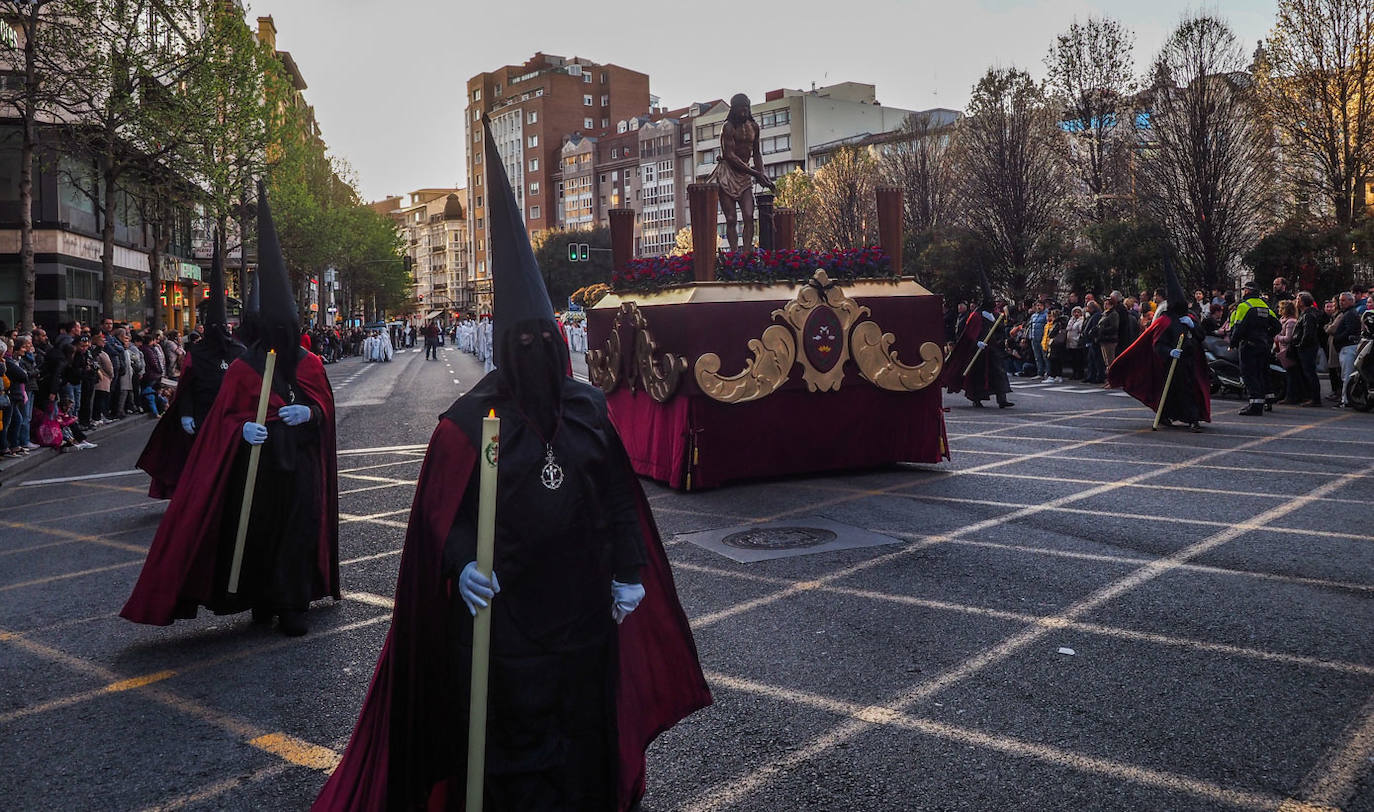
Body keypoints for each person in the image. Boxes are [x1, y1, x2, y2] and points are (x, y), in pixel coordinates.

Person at [315, 117, 709, 812]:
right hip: (506, 627)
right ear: (504, 343)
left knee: (582, 734)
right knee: (512, 752)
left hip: (585, 614)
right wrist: (460, 563)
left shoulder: (587, 411)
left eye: (541, 338)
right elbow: (440, 522)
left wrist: (627, 574)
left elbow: (619, 497)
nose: (532, 349)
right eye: (519, 338)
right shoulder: (470, 424)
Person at [122, 183, 339, 637]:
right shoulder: (244, 367)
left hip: (299, 464)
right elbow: (225, 419)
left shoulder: (311, 363)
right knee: (257, 531)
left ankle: (293, 601)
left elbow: (322, 406)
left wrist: (312, 415)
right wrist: (242, 430)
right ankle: (261, 599)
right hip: (255, 469)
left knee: (297, 531)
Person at [138, 234, 246, 500]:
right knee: (203, 464)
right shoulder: (196, 353)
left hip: (233, 419)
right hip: (202, 417)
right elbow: (186, 388)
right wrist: (186, 414)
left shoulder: (240, 352)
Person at [1109, 259, 1210, 432]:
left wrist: (1193, 326)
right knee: (1168, 392)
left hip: (1188, 361)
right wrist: (1170, 351)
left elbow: (1201, 337)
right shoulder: (1164, 321)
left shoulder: (1190, 318)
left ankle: (1193, 418)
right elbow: (1157, 344)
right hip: (1170, 363)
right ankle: (1164, 416)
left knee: (1191, 390)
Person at [709, 93, 777, 252]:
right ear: (734, 109)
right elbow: (730, 156)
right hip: (727, 174)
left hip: (745, 175)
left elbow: (757, 153)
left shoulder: (754, 127)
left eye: (746, 106)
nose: (744, 110)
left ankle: (747, 255)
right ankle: (733, 255)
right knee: (731, 219)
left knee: (748, 215)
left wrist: (762, 173)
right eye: (741, 107)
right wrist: (756, 174)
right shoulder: (728, 127)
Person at [944, 270, 1015, 408]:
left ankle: (1002, 399)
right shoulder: (975, 315)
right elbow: (968, 333)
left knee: (999, 372)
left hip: (993, 348)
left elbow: (1000, 329)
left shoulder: (995, 315)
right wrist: (977, 342)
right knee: (977, 375)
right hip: (979, 350)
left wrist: (995, 324)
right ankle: (976, 398)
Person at [1228, 281, 1280, 416]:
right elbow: (1277, 326)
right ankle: (1268, 399)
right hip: (1263, 345)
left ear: (1247, 291)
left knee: (1249, 374)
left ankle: (1255, 404)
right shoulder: (1264, 305)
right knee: (1262, 372)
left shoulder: (1244, 306)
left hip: (1248, 344)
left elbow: (1238, 327)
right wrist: (1267, 337)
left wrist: (1233, 343)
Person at [1290, 292, 1322, 407]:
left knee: (1310, 373)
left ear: (1303, 302)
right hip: (1307, 347)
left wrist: (1300, 344)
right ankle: (1309, 396)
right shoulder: (1305, 314)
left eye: (1298, 300)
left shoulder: (1308, 315)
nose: (1296, 302)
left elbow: (1308, 333)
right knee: (1307, 373)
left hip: (1307, 348)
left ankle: (1315, 398)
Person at [1329, 291, 1361, 407]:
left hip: (1348, 347)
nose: (1340, 303)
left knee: (1347, 375)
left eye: (1343, 300)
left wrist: (1338, 338)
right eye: (1340, 300)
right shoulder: (1348, 313)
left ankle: (1346, 400)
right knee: (1345, 375)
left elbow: (1350, 330)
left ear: (1351, 301)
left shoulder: (1351, 314)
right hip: (1345, 347)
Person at [1274, 299, 1299, 404]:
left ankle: (1291, 397)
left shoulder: (1291, 322)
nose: (1279, 310)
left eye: (1281, 308)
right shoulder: (1283, 320)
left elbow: (1288, 338)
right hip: (1282, 350)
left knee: (1291, 375)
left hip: (1287, 351)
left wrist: (1277, 337)